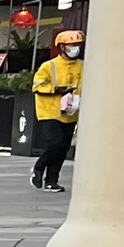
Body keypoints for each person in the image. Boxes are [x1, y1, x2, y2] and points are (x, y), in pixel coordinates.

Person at [30, 29, 84, 191]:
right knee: (55, 143)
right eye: (70, 45)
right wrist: (56, 89)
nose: (75, 48)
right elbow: (37, 86)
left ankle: (51, 181)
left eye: (77, 45)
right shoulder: (49, 66)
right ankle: (38, 168)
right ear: (61, 47)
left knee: (63, 148)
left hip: (71, 112)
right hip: (50, 112)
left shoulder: (83, 65)